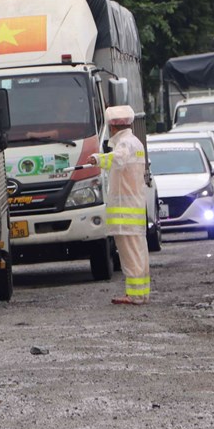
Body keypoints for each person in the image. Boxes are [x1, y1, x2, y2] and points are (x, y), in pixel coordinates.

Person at [88, 105, 150, 305]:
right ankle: (141, 293)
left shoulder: (124, 144)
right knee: (138, 253)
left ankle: (135, 295)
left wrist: (98, 159)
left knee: (130, 254)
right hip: (134, 209)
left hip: (126, 215)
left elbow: (119, 159)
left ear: (112, 127)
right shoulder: (135, 143)